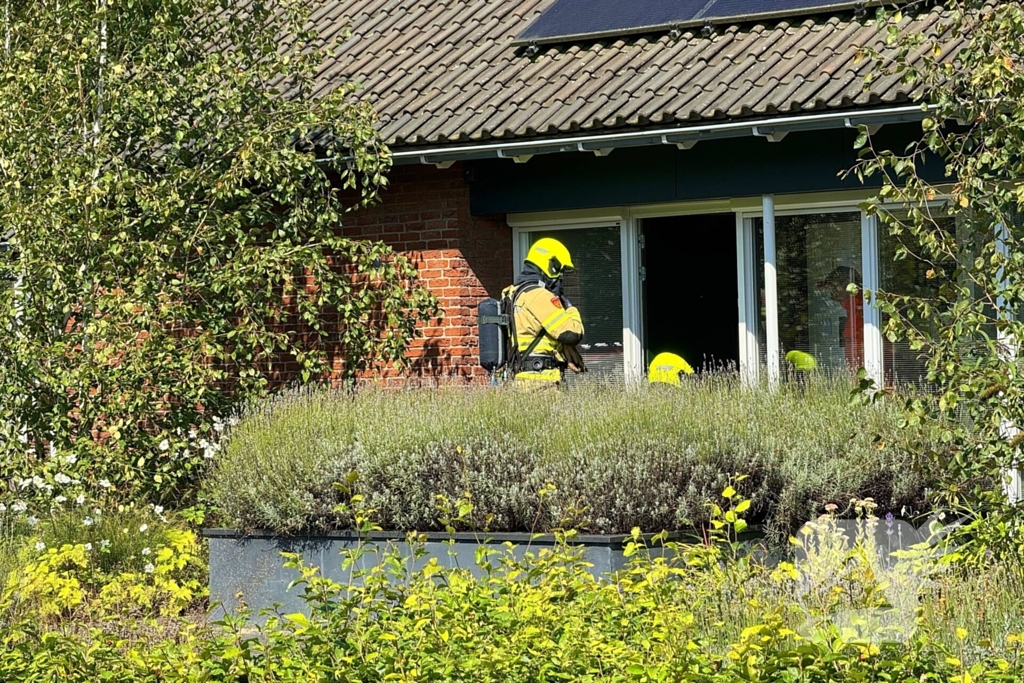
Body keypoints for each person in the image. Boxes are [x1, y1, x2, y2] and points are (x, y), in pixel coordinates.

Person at [502, 238, 585, 384]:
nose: (561, 277)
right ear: (551, 266)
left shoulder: (514, 293)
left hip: (522, 378)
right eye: (561, 271)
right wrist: (570, 307)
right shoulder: (539, 295)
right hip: (542, 382)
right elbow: (572, 334)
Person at [816, 266, 863, 370]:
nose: (831, 292)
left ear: (848, 284)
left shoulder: (862, 307)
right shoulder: (851, 305)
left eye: (834, 286)